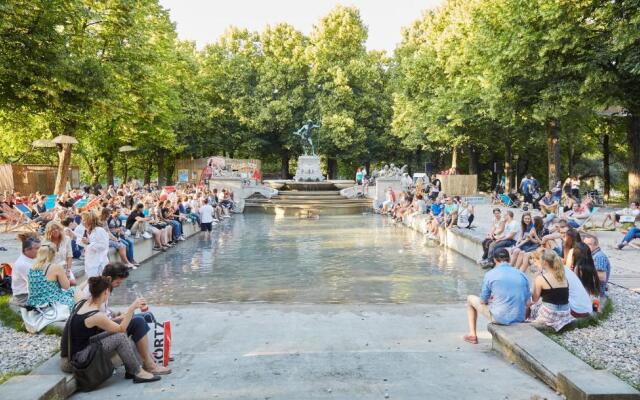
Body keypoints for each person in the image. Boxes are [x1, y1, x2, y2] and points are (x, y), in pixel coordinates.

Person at [67, 263, 171, 375]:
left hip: (98, 325)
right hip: (94, 333)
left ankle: (151, 357)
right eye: (118, 282)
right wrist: (129, 311)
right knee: (138, 321)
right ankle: (149, 365)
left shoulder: (100, 287)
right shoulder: (96, 293)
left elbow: (101, 309)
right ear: (109, 279)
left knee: (144, 316)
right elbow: (103, 321)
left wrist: (114, 314)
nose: (119, 285)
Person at [464, 248, 530, 344]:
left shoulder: (490, 274)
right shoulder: (521, 274)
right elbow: (527, 301)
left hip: (500, 318)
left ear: (495, 260)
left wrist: (490, 300)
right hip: (519, 317)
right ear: (509, 259)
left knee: (470, 299)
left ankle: (472, 335)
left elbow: (482, 301)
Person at [527, 249, 574, 331]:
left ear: (544, 262)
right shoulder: (563, 276)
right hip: (565, 313)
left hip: (551, 313)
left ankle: (525, 322)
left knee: (531, 304)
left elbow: (535, 299)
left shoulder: (541, 278)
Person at [26, 244, 75, 310]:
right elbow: (66, 287)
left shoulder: (31, 268)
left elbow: (31, 288)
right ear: (53, 255)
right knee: (75, 292)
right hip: (52, 301)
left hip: (35, 302)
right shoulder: (55, 267)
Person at [10, 233, 41, 307]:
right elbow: (36, 284)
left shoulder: (32, 258)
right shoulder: (23, 264)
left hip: (32, 291)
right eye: (37, 248)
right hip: (24, 296)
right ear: (27, 250)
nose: (40, 250)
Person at [43, 220, 76, 285]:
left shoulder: (66, 239)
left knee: (72, 284)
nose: (55, 230)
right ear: (49, 231)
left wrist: (68, 271)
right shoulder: (45, 242)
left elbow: (69, 256)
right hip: (51, 270)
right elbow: (43, 260)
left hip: (64, 268)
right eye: (52, 229)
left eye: (57, 228)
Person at [81, 211, 110, 278]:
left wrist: (89, 243)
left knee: (98, 285)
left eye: (84, 220)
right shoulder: (87, 231)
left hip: (99, 264)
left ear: (90, 221)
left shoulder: (99, 230)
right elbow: (87, 246)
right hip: (90, 263)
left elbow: (103, 246)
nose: (82, 222)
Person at [582, 234, 610, 298]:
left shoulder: (599, 257)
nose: (586, 246)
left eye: (589, 244)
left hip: (596, 293)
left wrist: (583, 272)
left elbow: (602, 277)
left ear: (596, 245)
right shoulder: (592, 255)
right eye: (585, 244)